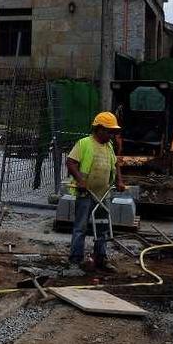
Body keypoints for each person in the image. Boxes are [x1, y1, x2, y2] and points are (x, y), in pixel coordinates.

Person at [66, 112, 125, 271]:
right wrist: (80, 181)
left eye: (113, 131)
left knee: (102, 227)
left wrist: (119, 181)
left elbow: (116, 165)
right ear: (98, 129)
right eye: (109, 131)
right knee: (81, 228)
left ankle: (101, 258)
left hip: (103, 194)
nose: (111, 134)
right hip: (86, 194)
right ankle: (75, 260)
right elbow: (71, 162)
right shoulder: (84, 143)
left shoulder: (109, 146)